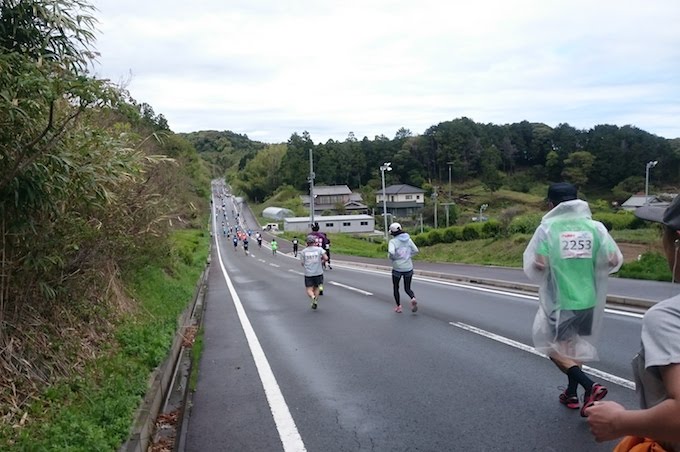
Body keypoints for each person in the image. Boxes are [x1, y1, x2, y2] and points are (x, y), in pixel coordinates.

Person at [586, 195, 680, 451]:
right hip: (588, 297)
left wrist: (619, 421)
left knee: (560, 351)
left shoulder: (670, 317)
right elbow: (614, 260)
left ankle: (584, 384)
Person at [524, 182, 623, 417]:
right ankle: (571, 394)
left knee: (553, 349)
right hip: (588, 300)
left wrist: (554, 264)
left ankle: (591, 386)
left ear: (550, 204)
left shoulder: (547, 228)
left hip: (561, 300)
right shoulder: (595, 227)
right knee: (573, 348)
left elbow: (540, 264)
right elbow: (612, 260)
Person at [388, 222, 419, 313]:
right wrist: (409, 256)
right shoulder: (408, 240)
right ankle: (413, 298)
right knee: (407, 288)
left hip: (397, 268)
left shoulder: (393, 241)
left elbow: (391, 252)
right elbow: (416, 250)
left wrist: (393, 258)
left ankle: (399, 307)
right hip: (408, 267)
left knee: (396, 287)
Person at [300, 234, 328, 310]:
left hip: (308, 273)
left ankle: (312, 297)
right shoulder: (319, 249)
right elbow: (326, 258)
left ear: (306, 243)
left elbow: (302, 263)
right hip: (318, 272)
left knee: (309, 289)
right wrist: (321, 261)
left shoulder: (303, 252)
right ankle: (315, 300)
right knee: (317, 287)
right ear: (314, 242)